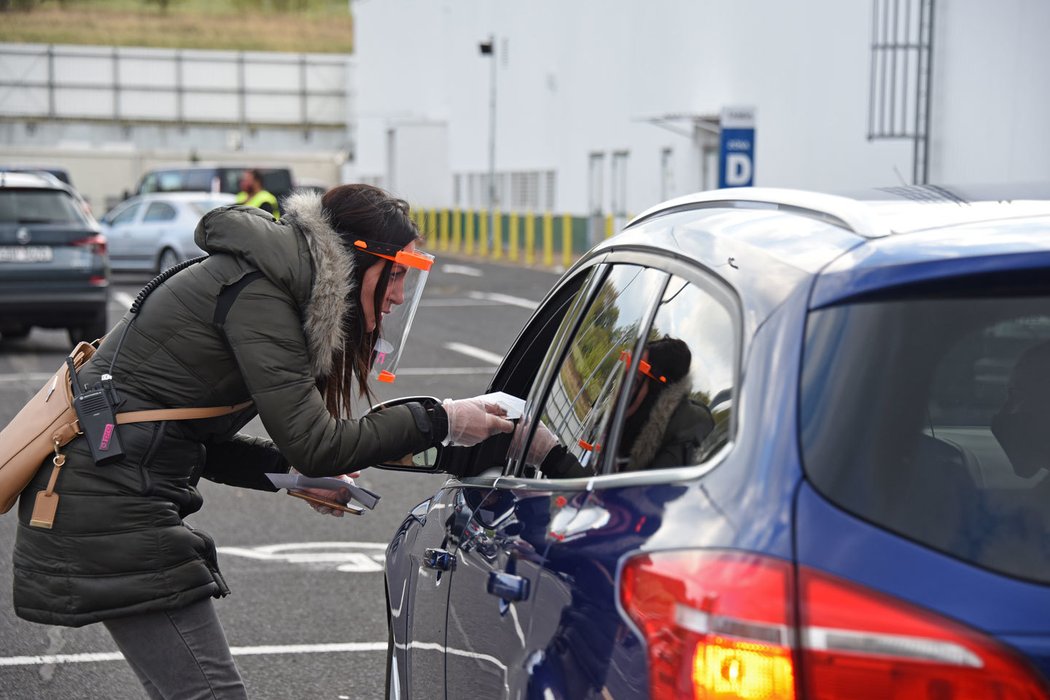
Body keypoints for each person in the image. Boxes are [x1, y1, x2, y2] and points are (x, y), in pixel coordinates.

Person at [11, 184, 513, 698]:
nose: (399, 295)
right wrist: (442, 419)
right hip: (107, 502)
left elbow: (198, 443)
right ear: (358, 257)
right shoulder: (262, 293)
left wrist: (297, 477)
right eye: (398, 271)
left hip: (104, 488)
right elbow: (319, 445)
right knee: (211, 693)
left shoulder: (269, 282)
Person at [521, 335, 715, 478]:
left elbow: (611, 508)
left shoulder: (674, 461)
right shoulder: (625, 428)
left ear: (659, 396)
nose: (619, 388)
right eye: (623, 373)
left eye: (633, 380)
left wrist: (551, 456)